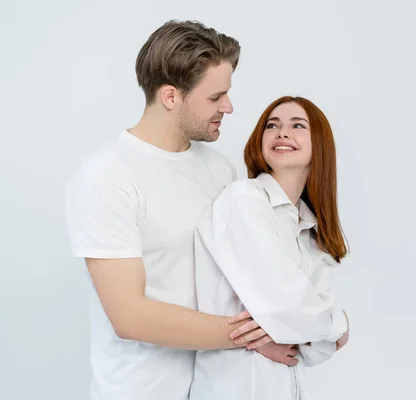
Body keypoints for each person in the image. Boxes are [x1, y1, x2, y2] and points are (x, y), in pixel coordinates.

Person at [64, 20, 289, 400]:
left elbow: (244, 272)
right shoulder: (106, 178)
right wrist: (252, 338)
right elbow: (130, 316)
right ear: (171, 97)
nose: (229, 107)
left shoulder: (219, 169)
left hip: (218, 386)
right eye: (215, 97)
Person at [190, 96, 351, 400]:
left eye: (297, 125)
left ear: (320, 144)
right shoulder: (244, 199)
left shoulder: (309, 232)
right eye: (272, 125)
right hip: (237, 387)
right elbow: (287, 304)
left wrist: (304, 329)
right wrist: (338, 324)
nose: (282, 133)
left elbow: (316, 351)